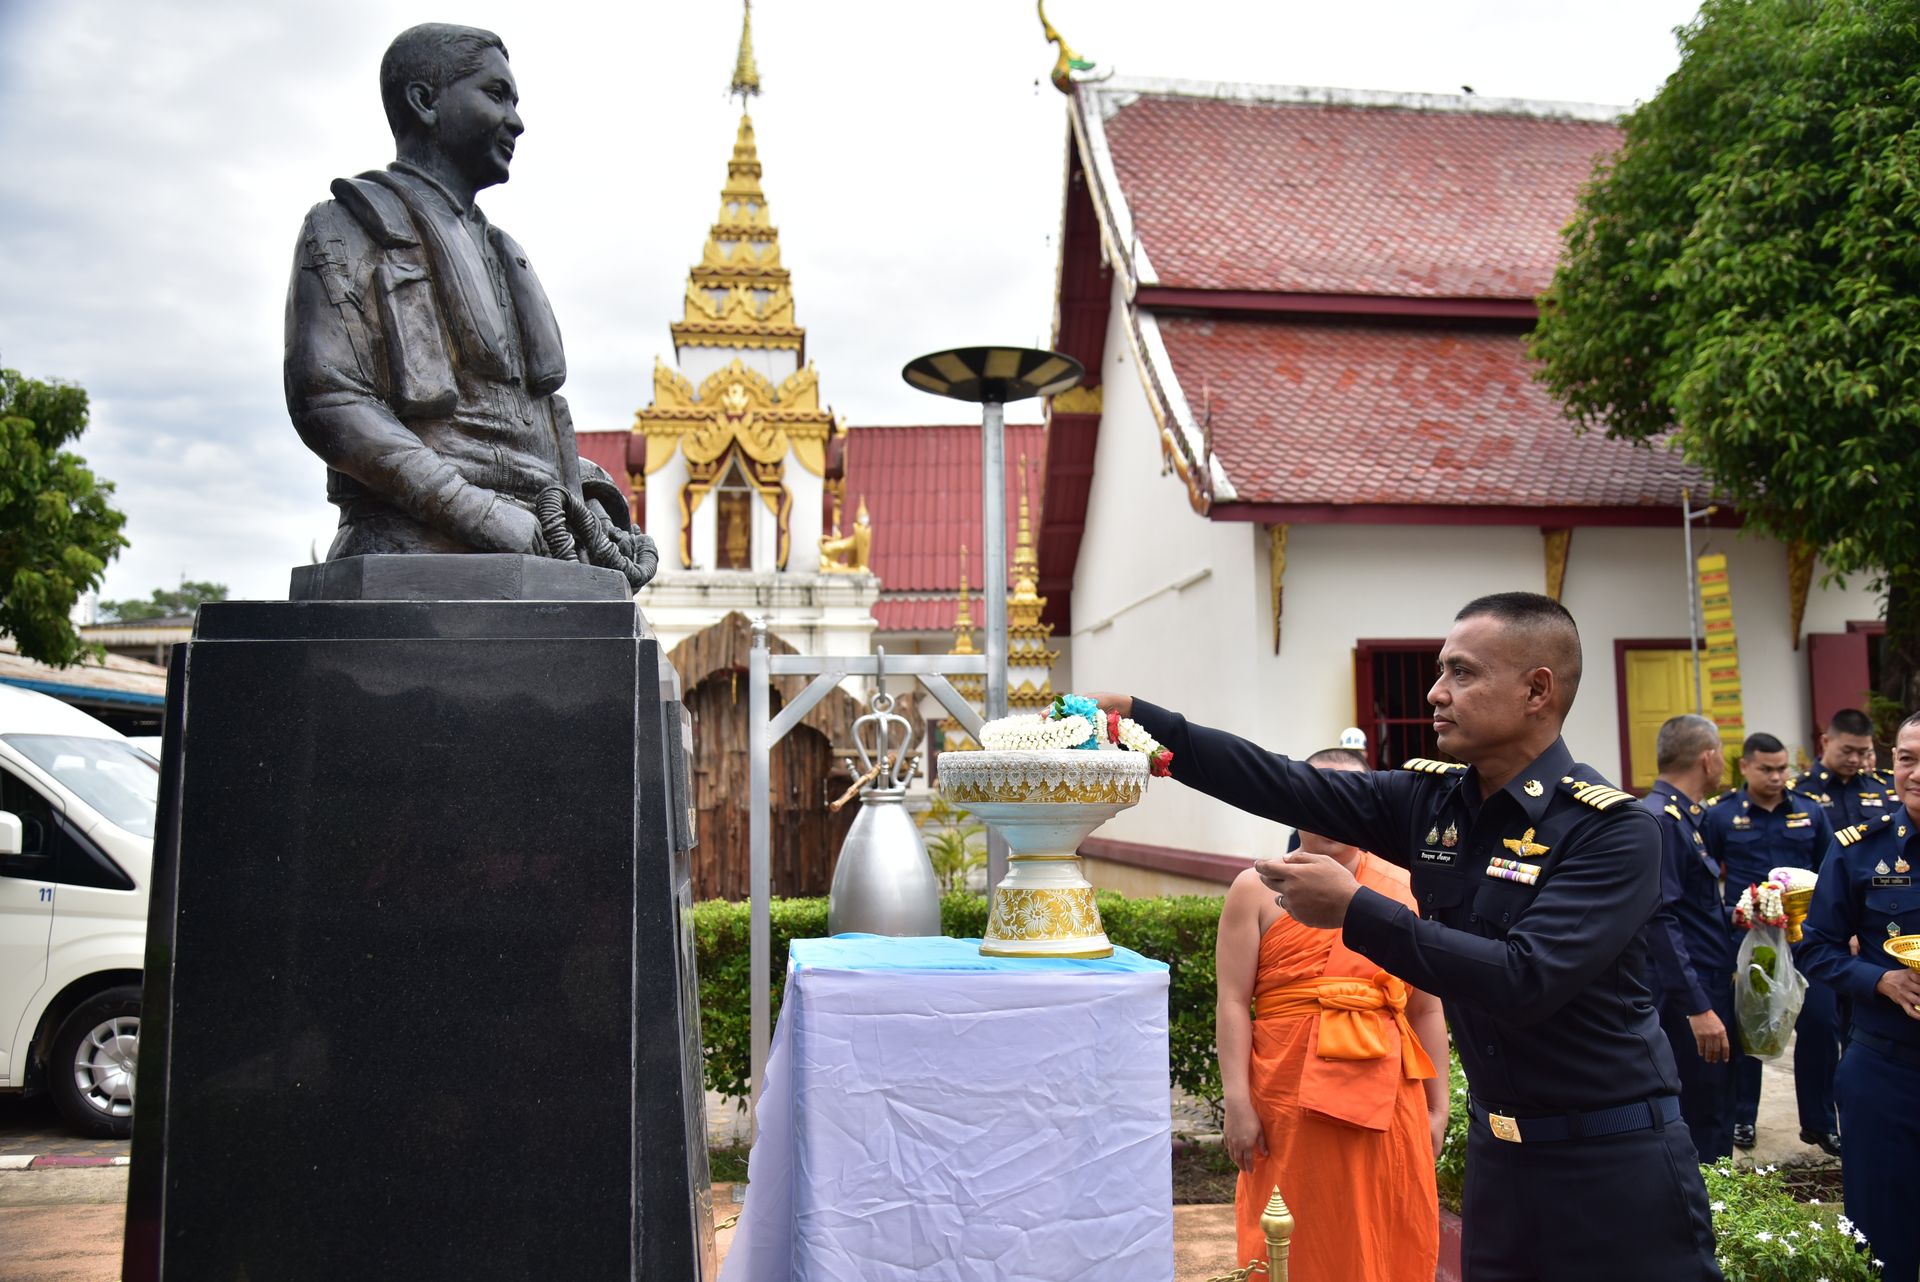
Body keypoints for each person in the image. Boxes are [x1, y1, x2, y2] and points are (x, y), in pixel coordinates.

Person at [1099, 592, 1721, 1282]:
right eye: (1440, 670)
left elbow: (1523, 978)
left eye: (1463, 672)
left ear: (1536, 690)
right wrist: (1134, 718)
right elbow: (1283, 783)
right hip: (1501, 1162)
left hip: (1614, 1164)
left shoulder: (1613, 831)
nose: (1436, 692)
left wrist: (1355, 912)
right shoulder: (1433, 804)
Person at [283, 23, 654, 585]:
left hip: (536, 539)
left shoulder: (504, 253)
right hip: (409, 546)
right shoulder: (348, 227)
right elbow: (330, 402)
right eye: (496, 95)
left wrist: (589, 501)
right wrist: (477, 512)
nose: (516, 121)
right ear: (425, 101)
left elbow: (516, 426)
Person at [1215, 747, 1447, 1280]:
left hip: (1388, 1093)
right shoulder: (1255, 889)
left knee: (1383, 1218)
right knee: (1293, 1223)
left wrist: (1439, 1108)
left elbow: (1427, 1007)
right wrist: (1237, 1102)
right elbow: (1232, 1001)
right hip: (1285, 1095)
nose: (1329, 813)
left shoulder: (1405, 886)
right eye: (1317, 797)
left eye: (1345, 799)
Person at [1797, 710, 1920, 1282]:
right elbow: (1815, 947)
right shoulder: (1859, 849)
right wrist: (1879, 979)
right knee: (1880, 1249)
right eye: (1907, 759)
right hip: (1885, 1074)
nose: (1915, 773)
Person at [1700, 732, 1838, 1154]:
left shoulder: (1810, 812)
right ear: (1745, 767)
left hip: (1807, 939)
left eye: (1782, 769)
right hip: (1749, 939)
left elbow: (1831, 873)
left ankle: (1819, 1122)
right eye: (1767, 769)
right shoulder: (1721, 815)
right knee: (1750, 1027)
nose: (1777, 777)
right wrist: (1732, 914)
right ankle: (1744, 1117)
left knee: (1820, 1024)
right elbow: (1704, 881)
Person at [1639, 714, 1734, 1159]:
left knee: (1714, 1102)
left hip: (1702, 984)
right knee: (1700, 1111)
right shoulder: (1664, 819)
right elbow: (1659, 918)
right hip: (1686, 994)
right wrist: (1697, 1006)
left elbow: (1690, 908)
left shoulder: (1684, 817)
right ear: (1708, 758)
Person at [1805, 707, 1897, 829]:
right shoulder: (1800, 791)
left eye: (1862, 752)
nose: (1854, 759)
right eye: (1847, 751)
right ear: (1825, 742)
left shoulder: (1879, 786)